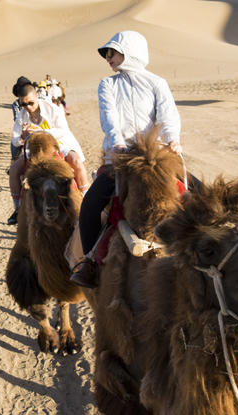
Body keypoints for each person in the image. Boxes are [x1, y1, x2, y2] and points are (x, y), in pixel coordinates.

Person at [70, 30, 182, 287]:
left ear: (130, 51)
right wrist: (118, 144)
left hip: (156, 156)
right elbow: (109, 118)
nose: (108, 57)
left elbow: (168, 116)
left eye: (112, 52)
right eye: (106, 54)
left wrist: (172, 138)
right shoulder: (107, 84)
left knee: (196, 193)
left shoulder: (157, 82)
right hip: (120, 158)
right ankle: (88, 261)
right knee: (90, 206)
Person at [7, 81, 90, 224]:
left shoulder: (53, 109)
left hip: (59, 145)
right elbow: (15, 139)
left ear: (37, 98)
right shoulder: (22, 115)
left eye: (30, 103)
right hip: (35, 150)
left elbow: (63, 130)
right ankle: (18, 209)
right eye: (23, 105)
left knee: (76, 162)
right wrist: (22, 136)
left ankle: (87, 200)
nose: (28, 107)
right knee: (14, 170)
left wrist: (40, 132)